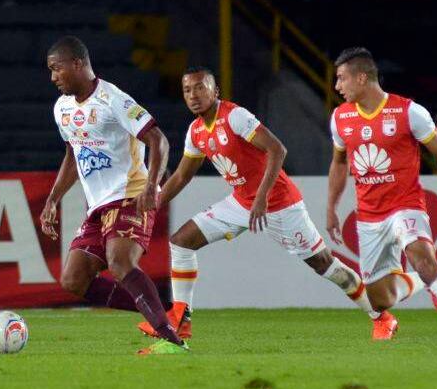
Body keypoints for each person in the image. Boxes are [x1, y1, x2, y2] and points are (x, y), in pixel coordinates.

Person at [136, 67, 381, 341]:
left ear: (215, 91)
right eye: (187, 90)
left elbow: (277, 149)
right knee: (181, 241)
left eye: (200, 87)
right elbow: (182, 175)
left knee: (323, 264)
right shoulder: (196, 131)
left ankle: (380, 315)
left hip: (280, 204)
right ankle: (180, 319)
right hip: (241, 203)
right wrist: (154, 203)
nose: (193, 95)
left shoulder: (235, 117)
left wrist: (262, 197)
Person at [327, 47, 437, 355]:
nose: (337, 86)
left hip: (405, 207)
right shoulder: (340, 118)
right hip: (369, 217)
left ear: (362, 78)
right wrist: (332, 206)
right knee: (380, 299)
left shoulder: (408, 112)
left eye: (342, 79)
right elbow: (339, 163)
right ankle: (433, 275)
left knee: (422, 258)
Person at [39, 35, 185, 355]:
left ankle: (170, 338)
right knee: (74, 280)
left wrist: (151, 186)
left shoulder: (113, 100)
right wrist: (53, 198)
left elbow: (158, 141)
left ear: (77, 64)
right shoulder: (62, 108)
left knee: (120, 262)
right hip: (98, 206)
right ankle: (165, 313)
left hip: (131, 195)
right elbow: (73, 154)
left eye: (56, 69)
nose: (53, 77)